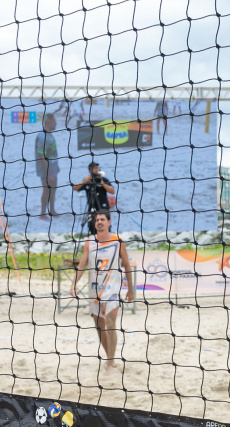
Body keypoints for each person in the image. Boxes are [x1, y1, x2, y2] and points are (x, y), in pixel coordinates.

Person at [69, 211, 134, 370]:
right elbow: (82, 265)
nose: (99, 222)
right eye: (97, 220)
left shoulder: (117, 241)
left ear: (108, 222)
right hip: (94, 289)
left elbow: (126, 264)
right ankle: (109, 357)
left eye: (102, 220)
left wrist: (130, 289)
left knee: (111, 323)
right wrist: (73, 284)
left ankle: (110, 363)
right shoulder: (89, 242)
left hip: (112, 289)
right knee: (99, 326)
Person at [73, 162, 115, 235]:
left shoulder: (103, 179)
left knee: (105, 226)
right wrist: (84, 182)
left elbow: (112, 191)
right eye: (94, 168)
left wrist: (102, 183)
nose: (96, 170)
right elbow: (75, 188)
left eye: (97, 168)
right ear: (89, 170)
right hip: (92, 209)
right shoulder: (87, 180)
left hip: (103, 208)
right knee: (92, 226)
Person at [36, 114, 59, 220]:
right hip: (46, 168)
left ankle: (52, 210)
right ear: (49, 121)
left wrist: (56, 166)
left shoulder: (50, 134)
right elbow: (41, 157)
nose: (56, 123)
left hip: (53, 166)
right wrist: (48, 174)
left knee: (53, 188)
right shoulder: (42, 136)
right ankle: (42, 214)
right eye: (54, 121)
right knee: (46, 189)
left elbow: (52, 152)